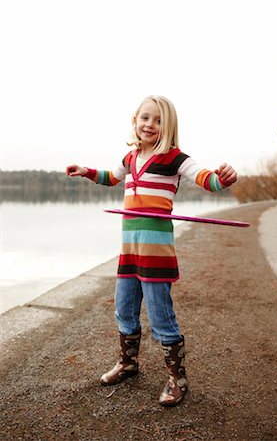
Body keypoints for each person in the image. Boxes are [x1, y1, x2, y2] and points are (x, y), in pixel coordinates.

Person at [66, 95, 237, 407]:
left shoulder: (174, 158)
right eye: (145, 118)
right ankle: (129, 363)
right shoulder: (130, 158)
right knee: (124, 309)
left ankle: (177, 377)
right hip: (129, 252)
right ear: (135, 120)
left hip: (156, 254)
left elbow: (206, 179)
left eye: (158, 120)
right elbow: (110, 178)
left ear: (168, 127)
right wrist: (86, 170)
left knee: (161, 317)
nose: (150, 125)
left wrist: (221, 179)